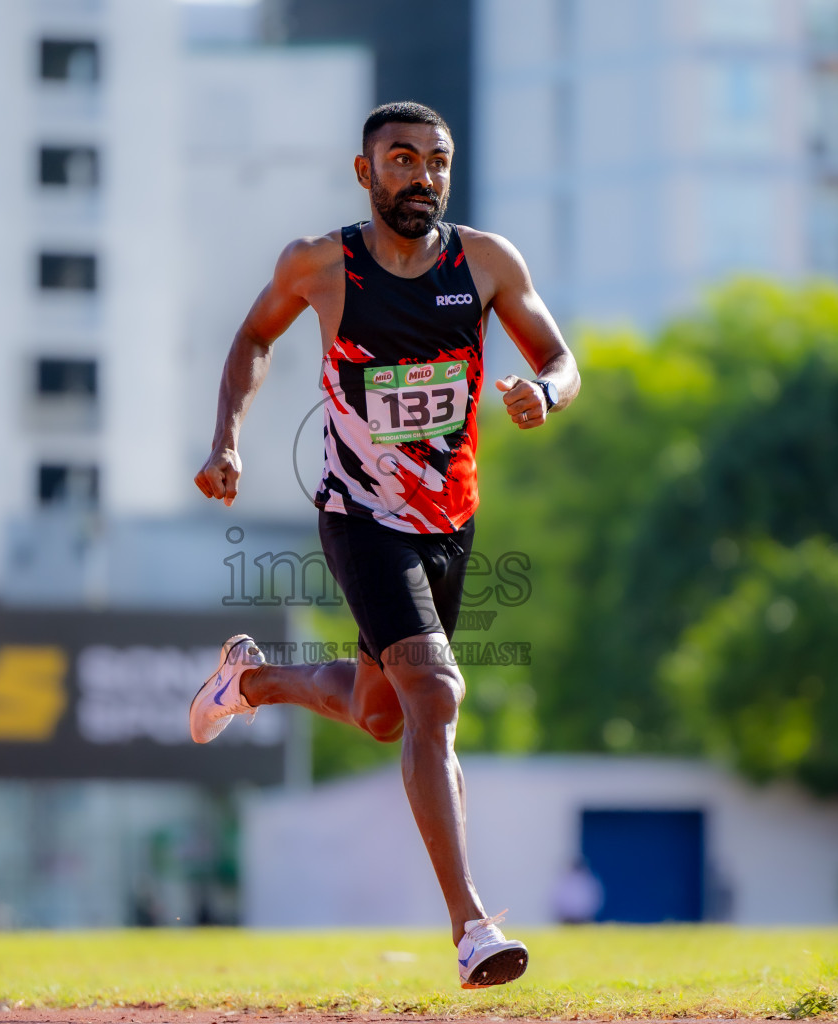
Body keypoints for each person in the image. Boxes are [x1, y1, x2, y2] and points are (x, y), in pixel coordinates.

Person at [190, 100, 579, 989]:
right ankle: (472, 927)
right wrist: (227, 439)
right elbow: (254, 336)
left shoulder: (486, 262)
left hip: (451, 522)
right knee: (435, 694)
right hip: (360, 517)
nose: (423, 177)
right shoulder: (322, 266)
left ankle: (246, 681)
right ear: (365, 174)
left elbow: (560, 357)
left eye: (437, 162)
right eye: (402, 161)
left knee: (380, 714)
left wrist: (546, 394)